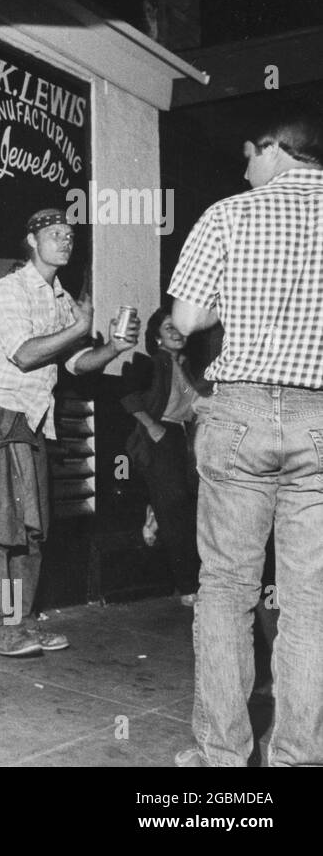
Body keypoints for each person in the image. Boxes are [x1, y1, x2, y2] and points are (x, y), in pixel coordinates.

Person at [168, 105, 323, 767]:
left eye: (248, 156)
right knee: (311, 598)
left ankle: (223, 756)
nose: (244, 169)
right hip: (320, 418)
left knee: (228, 588)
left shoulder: (231, 214)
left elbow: (189, 316)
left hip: (240, 413)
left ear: (274, 148)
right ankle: (297, 754)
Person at [0, 207, 138, 658]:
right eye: (54, 233)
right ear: (31, 241)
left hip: (35, 418)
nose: (64, 240)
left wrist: (113, 347)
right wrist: (79, 327)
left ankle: (20, 623)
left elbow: (76, 363)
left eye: (69, 234)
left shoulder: (61, 301)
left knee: (33, 530)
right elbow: (23, 355)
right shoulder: (9, 290)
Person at [121, 304, 207, 605]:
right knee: (177, 514)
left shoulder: (189, 366)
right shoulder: (151, 363)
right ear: (157, 338)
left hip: (186, 440)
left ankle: (155, 513)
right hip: (161, 438)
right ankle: (187, 588)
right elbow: (128, 397)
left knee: (187, 507)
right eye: (168, 328)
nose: (176, 332)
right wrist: (153, 427)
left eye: (178, 327)